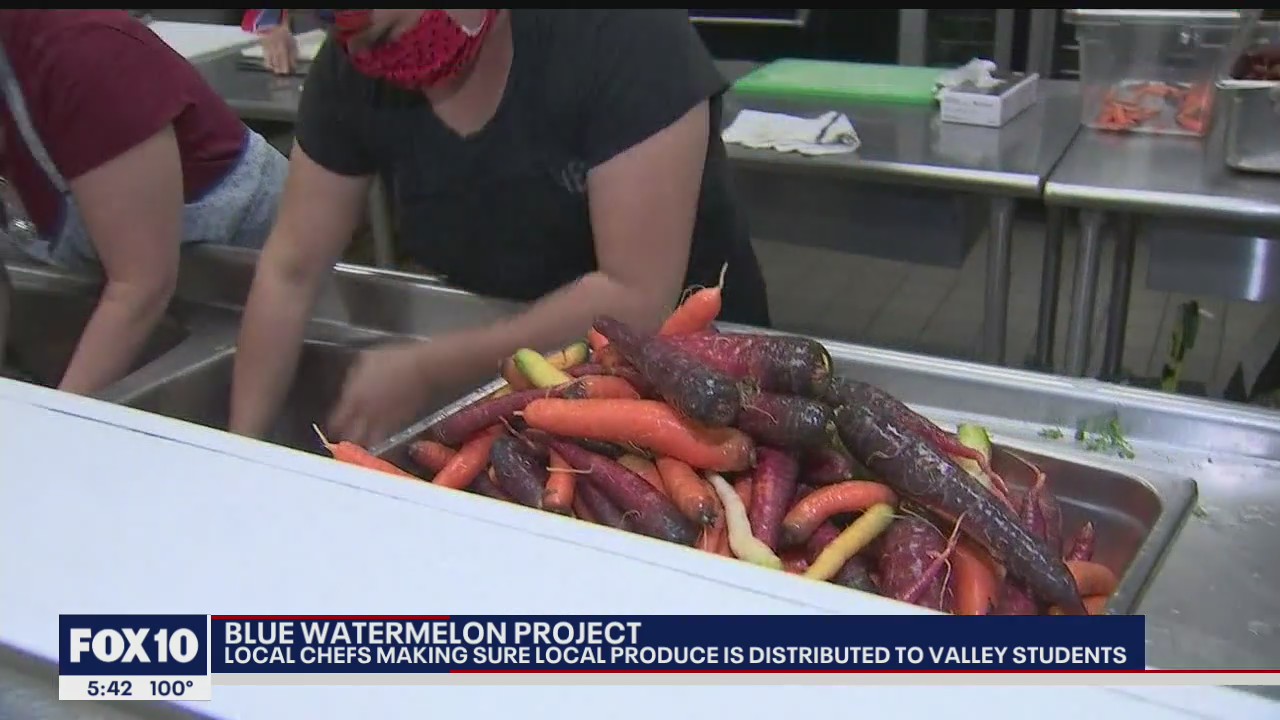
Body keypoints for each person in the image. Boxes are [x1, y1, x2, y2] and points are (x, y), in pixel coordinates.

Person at [228, 9, 770, 446]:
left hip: (697, 384)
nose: (375, 57)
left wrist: (430, 369)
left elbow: (634, 298)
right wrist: (240, 449)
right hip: (519, 372)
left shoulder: (621, 32)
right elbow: (291, 269)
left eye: (390, 35)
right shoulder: (355, 68)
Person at [0, 10, 288, 394]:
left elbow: (140, 285)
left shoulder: (82, 55)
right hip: (124, 290)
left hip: (248, 279)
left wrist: (54, 416)